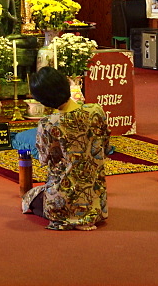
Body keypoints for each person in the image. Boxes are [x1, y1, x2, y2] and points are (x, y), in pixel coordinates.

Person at [21, 66, 109, 231]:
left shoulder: (48, 123)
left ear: (43, 100)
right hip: (95, 201)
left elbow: (43, 159)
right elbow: (105, 144)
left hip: (63, 199)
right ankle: (85, 217)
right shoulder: (96, 111)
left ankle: (71, 217)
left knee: (30, 197)